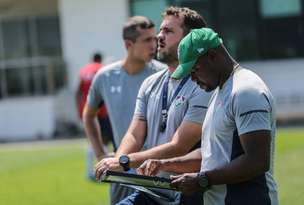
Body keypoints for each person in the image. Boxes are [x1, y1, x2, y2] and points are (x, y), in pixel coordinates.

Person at [138, 28, 279, 205]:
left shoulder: (246, 91)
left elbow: (257, 161)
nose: (193, 79)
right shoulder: (219, 91)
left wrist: (202, 179)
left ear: (212, 56)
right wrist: (165, 164)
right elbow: (212, 152)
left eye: (195, 69)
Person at [95, 7, 212, 205]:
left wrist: (126, 161)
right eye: (161, 30)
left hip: (189, 192)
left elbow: (180, 145)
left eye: (168, 31)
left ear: (189, 39)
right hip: (152, 192)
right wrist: (118, 161)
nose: (159, 36)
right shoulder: (150, 83)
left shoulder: (202, 83)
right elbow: (134, 134)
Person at [83, 16, 165, 204]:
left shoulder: (162, 74)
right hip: (122, 171)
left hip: (156, 172)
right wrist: (101, 154)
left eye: (155, 38)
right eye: (147, 40)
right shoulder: (105, 76)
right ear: (129, 44)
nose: (154, 45)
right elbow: (88, 115)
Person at [75, 52, 114, 181]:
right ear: (100, 59)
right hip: (102, 111)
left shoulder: (83, 71)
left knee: (92, 141)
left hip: (88, 111)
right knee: (104, 142)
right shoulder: (102, 69)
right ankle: (102, 170)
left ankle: (89, 171)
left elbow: (78, 92)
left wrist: (79, 110)